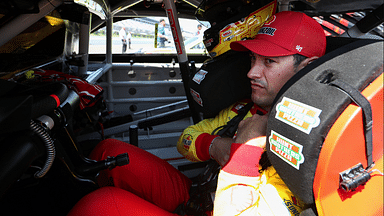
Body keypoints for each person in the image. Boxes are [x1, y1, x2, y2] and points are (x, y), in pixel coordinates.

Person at [67, 11, 326, 216]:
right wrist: (216, 146)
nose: (251, 73)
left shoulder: (308, 141)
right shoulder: (246, 108)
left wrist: (241, 156)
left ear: (307, 68)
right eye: (252, 59)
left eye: (269, 61)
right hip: (200, 197)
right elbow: (186, 138)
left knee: (99, 206)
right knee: (109, 150)